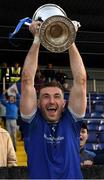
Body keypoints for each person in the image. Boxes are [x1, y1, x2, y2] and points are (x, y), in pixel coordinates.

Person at [20, 20, 87, 179]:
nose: (51, 101)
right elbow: (27, 81)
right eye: (45, 96)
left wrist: (70, 39)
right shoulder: (32, 124)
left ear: (64, 103)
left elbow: (81, 80)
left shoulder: (71, 121)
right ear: (37, 103)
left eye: (57, 96)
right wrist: (37, 39)